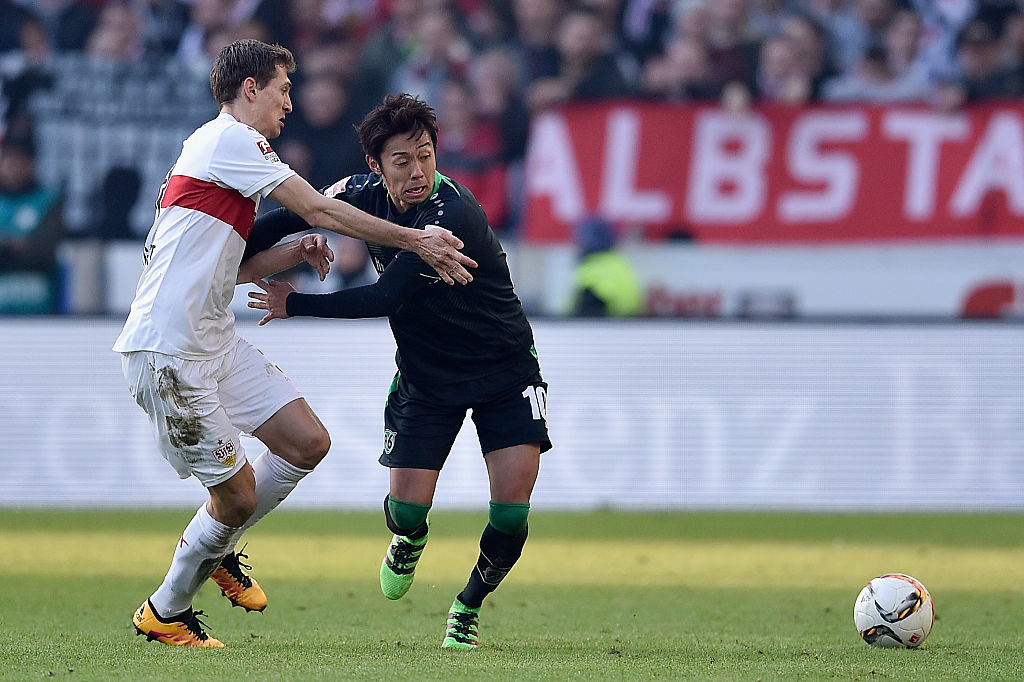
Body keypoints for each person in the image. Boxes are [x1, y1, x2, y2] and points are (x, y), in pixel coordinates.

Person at [113, 40, 475, 649]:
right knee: (235, 499)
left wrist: (291, 254)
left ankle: (217, 543)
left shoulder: (218, 160)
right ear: (250, 89)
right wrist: (416, 241)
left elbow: (229, 270)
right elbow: (317, 208)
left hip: (211, 338)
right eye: (283, 89)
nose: (289, 103)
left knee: (307, 441)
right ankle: (165, 611)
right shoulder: (231, 139)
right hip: (169, 351)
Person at [246, 93, 552, 650]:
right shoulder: (358, 194)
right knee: (407, 512)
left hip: (505, 372)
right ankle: (410, 538)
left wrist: (295, 303)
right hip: (427, 378)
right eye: (403, 161)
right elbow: (290, 216)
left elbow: (386, 296)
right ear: (375, 165)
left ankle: (467, 606)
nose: (417, 173)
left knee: (510, 515)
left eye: (426, 156)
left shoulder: (451, 214)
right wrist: (226, 252)